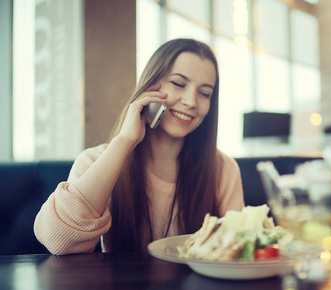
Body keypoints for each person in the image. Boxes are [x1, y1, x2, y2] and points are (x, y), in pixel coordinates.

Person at [34, 39, 245, 254]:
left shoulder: (222, 169)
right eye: (179, 84)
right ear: (150, 86)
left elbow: (239, 251)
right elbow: (59, 241)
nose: (191, 101)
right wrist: (125, 141)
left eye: (204, 93)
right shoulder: (95, 160)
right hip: (122, 288)